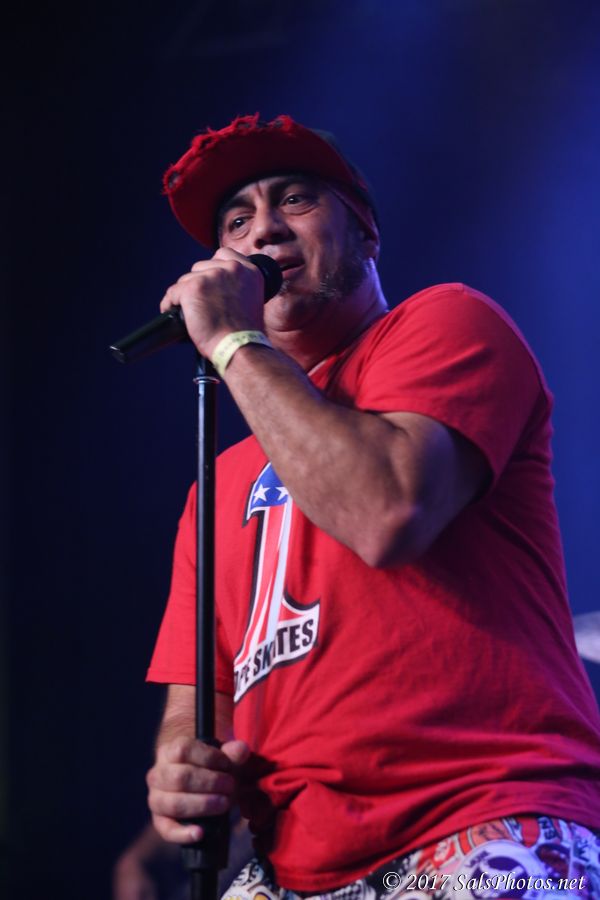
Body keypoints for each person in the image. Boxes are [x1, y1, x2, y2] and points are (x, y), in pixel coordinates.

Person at [145, 114, 600, 899]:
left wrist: (233, 342)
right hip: (292, 863)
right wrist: (180, 767)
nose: (264, 230)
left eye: (294, 199)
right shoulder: (215, 485)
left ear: (366, 234)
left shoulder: (447, 323)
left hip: (479, 819)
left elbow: (384, 512)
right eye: (237, 222)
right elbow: (199, 702)